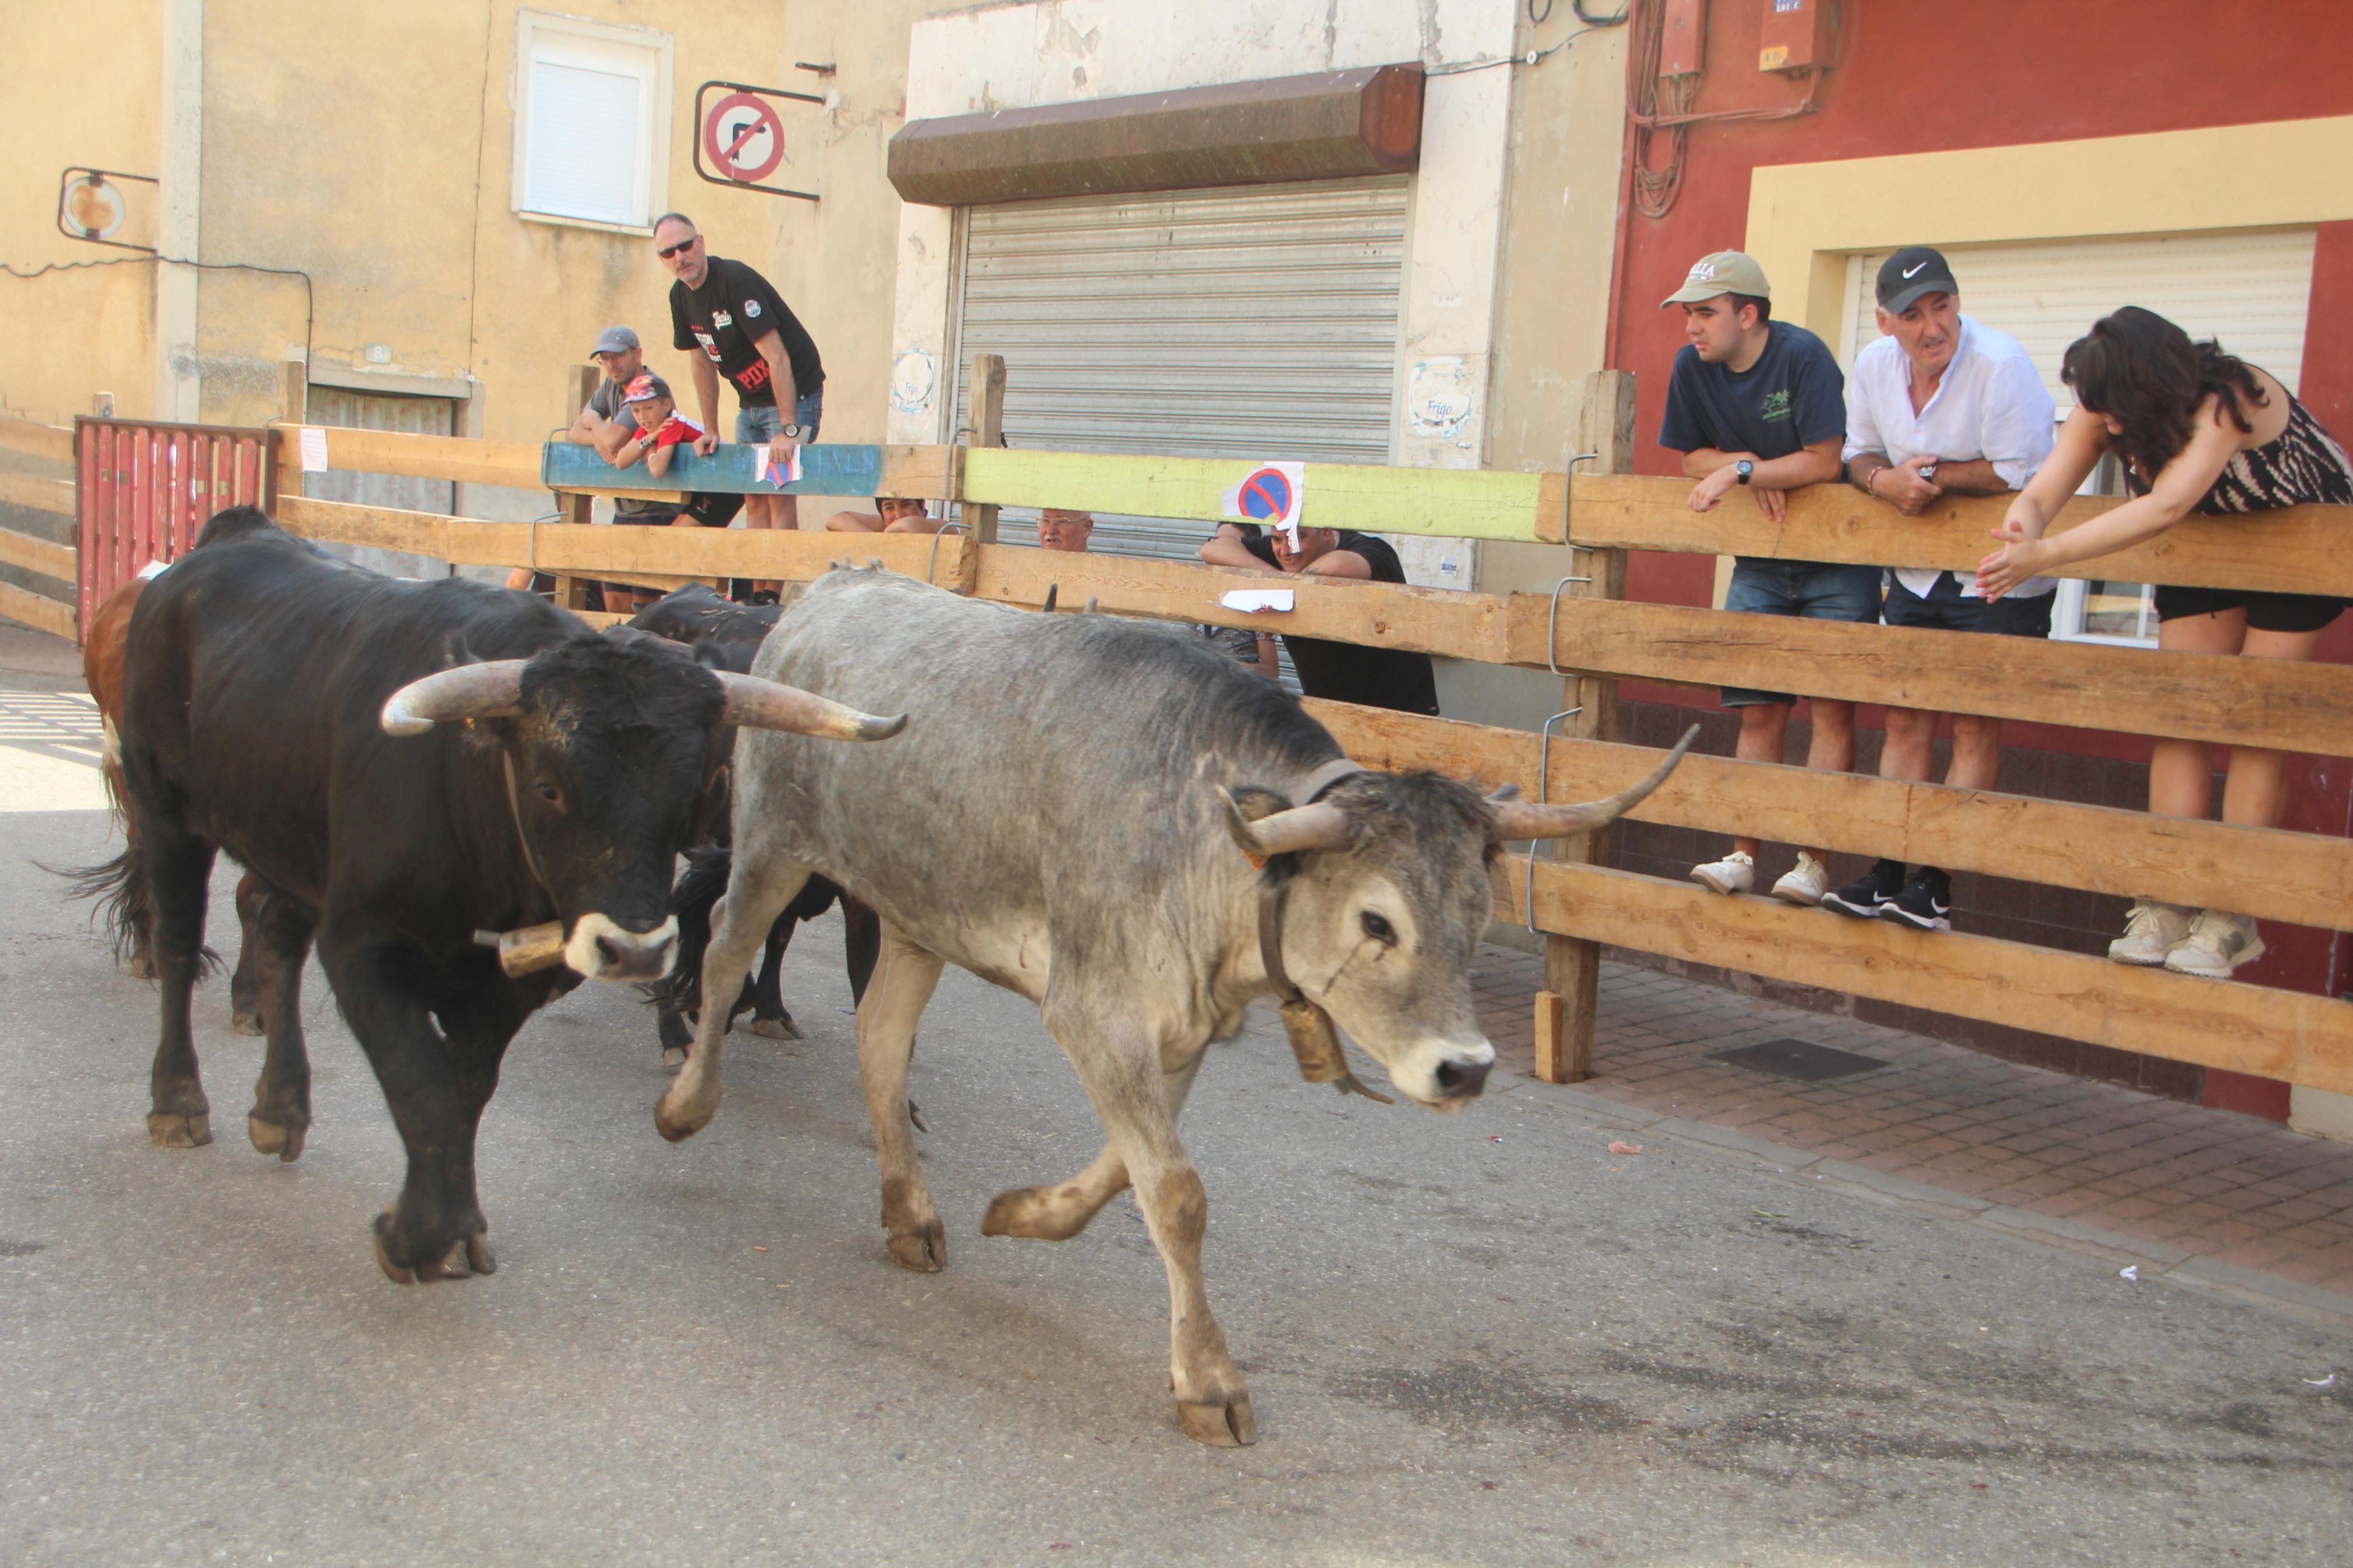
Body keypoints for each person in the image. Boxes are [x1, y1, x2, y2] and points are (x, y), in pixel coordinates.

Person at [1978, 306, 2353, 977]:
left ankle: (2228, 914)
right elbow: (2044, 490)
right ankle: (2168, 898)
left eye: (2110, 407)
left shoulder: (2226, 400)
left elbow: (2164, 505)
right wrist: (2021, 527)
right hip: (2209, 547)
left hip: (2304, 540)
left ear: (2145, 385)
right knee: (2179, 714)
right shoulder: (2104, 406)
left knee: (2254, 721)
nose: (2104, 422)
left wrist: (2049, 554)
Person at [1826, 248, 2058, 932]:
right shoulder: (1873, 365)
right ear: (1884, 321)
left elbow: (2017, 470)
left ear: (1957, 304)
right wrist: (1880, 482)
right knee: (1902, 717)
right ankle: (1889, 869)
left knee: (1971, 721)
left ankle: (1936, 882)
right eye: (1913, 314)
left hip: (1998, 573)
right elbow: (1855, 452)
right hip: (1916, 570)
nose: (1932, 327)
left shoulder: (2000, 363)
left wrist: (1929, 476)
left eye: (1942, 306)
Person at [1656, 251, 1868, 904]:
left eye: (1704, 312)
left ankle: (1812, 861)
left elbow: (1826, 460)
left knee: (1830, 711)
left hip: (1838, 559)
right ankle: (1743, 853)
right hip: (1761, 561)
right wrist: (1752, 466)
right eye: (1687, 312)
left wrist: (1744, 473)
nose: (1691, 327)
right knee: (1756, 710)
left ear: (1747, 315)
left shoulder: (1803, 357)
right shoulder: (1691, 368)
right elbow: (1692, 456)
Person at [654, 212, 824, 596]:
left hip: (794, 397)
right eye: (668, 253)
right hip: (749, 404)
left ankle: (770, 598)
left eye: (685, 246)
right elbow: (700, 361)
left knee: (778, 494)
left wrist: (787, 429)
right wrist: (709, 427)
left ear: (701, 242)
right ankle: (754, 591)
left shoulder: (735, 281)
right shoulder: (680, 297)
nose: (680, 257)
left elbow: (777, 358)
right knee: (753, 497)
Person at [1198, 522, 1435, 712]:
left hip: (1399, 706)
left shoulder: (1369, 548)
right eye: (1277, 539)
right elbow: (1212, 548)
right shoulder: (1284, 553)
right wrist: (1276, 577)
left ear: (1326, 533)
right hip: (1329, 706)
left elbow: (1336, 568)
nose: (1288, 549)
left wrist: (1282, 583)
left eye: (1300, 536)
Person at [824, 497, 941, 534]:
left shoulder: (936, 524)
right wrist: (877, 541)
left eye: (906, 504)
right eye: (889, 508)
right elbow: (834, 521)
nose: (899, 515)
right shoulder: (887, 522)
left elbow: (906, 525)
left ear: (922, 506)